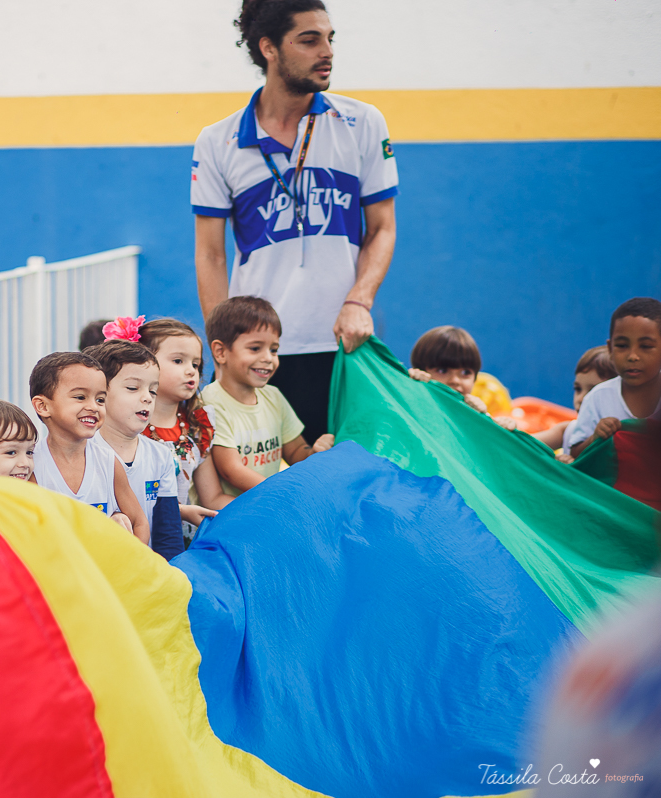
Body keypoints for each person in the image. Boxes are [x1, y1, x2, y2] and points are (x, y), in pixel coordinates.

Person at [192, 0, 397, 444]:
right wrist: (224, 348)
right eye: (309, 40)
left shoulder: (362, 122)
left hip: (344, 345)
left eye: (329, 38)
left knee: (347, 477)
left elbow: (382, 228)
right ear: (269, 48)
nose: (326, 51)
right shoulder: (217, 141)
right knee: (268, 487)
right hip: (262, 352)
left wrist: (359, 301)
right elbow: (210, 253)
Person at [202, 297, 334, 499]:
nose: (268, 358)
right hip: (233, 511)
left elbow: (296, 450)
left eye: (274, 350)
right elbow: (231, 470)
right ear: (220, 352)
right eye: (255, 348)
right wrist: (281, 494)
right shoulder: (211, 402)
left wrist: (315, 454)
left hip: (267, 501)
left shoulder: (274, 396)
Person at [28, 352, 150, 544]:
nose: (93, 406)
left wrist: (134, 567)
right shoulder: (31, 465)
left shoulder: (109, 462)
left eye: (100, 399)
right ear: (43, 406)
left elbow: (139, 522)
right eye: (80, 397)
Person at [84, 340, 184, 560]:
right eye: (133, 388)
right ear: (100, 394)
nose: (147, 397)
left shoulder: (161, 456)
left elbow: (168, 535)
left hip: (145, 573)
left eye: (153, 391)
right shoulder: (81, 452)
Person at [137, 318, 226, 532]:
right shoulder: (128, 427)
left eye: (195, 364)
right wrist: (179, 512)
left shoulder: (197, 427)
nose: (191, 371)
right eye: (178, 361)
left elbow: (212, 497)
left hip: (186, 541)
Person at [568, 298, 661, 459]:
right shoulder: (597, 398)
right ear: (610, 349)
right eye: (622, 346)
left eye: (645, 346)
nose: (633, 356)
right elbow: (575, 454)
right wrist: (595, 437)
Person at [406, 326, 518, 430]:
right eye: (442, 371)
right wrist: (410, 386)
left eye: (465, 373)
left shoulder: (476, 413)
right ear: (422, 372)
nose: (455, 380)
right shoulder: (409, 402)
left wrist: (488, 422)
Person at [532, 346, 616, 457]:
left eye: (593, 392)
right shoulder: (567, 431)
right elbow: (521, 445)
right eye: (578, 389)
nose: (581, 398)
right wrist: (504, 426)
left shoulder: (626, 438)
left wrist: (572, 467)